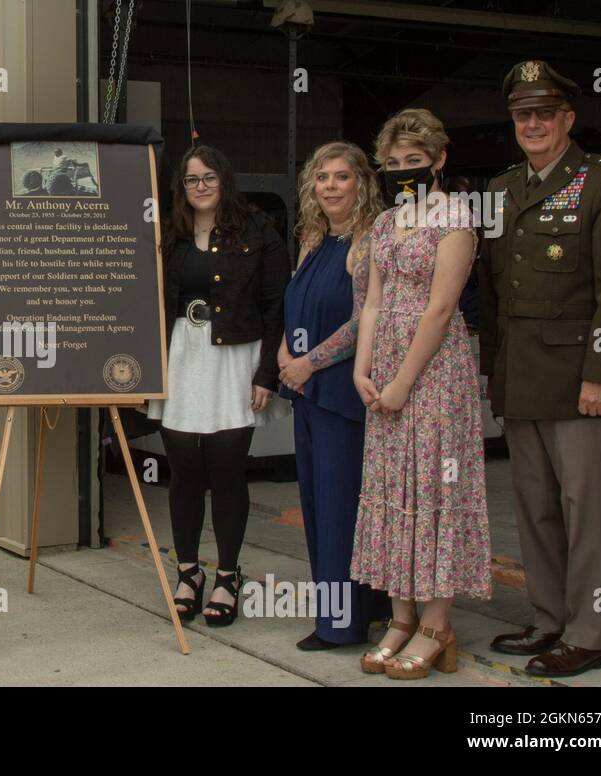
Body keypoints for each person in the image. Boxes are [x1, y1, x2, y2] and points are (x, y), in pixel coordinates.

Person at [480, 61, 601, 678]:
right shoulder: (499, 189)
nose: (533, 124)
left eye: (544, 113)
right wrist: (490, 371)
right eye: (523, 114)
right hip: (520, 376)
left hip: (581, 380)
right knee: (535, 507)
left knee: (588, 512)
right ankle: (549, 619)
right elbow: (491, 293)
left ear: (568, 119)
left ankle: (590, 633)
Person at [352, 108, 490, 680]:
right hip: (383, 367)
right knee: (394, 488)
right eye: (395, 163)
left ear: (438, 161)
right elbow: (374, 303)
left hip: (434, 372)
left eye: (416, 161)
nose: (405, 171)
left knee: (435, 485)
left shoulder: (456, 217)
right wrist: (362, 370)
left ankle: (438, 625)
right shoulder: (386, 224)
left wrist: (404, 381)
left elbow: (440, 307)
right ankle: (400, 617)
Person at [147, 145, 291, 627]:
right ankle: (189, 572)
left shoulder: (259, 232)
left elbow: (276, 307)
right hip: (181, 359)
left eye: (209, 176)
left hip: (235, 359)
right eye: (192, 179)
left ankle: (228, 576)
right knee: (184, 470)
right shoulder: (169, 233)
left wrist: (267, 374)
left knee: (227, 470)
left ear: (224, 180)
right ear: (181, 187)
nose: (201, 186)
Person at [277, 141, 391, 650]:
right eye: (321, 177)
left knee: (341, 507)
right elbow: (294, 307)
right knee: (317, 506)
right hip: (305, 392)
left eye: (341, 177)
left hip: (342, 396)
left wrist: (307, 364)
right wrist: (284, 355)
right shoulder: (311, 239)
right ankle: (357, 612)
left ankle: (341, 624)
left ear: (361, 182)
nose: (330, 186)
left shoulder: (368, 241)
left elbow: (360, 322)